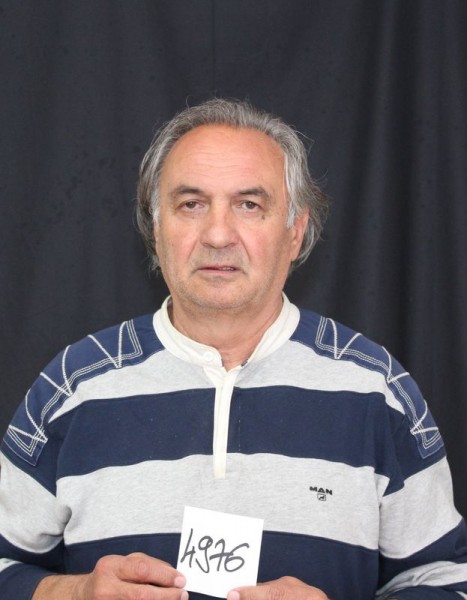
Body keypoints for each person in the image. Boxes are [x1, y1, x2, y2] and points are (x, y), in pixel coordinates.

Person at [0, 99, 466, 600]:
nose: (218, 235)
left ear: (295, 232)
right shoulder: (71, 387)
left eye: (249, 205)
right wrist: (74, 593)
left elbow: (447, 581)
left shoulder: (377, 391)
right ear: (156, 229)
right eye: (191, 204)